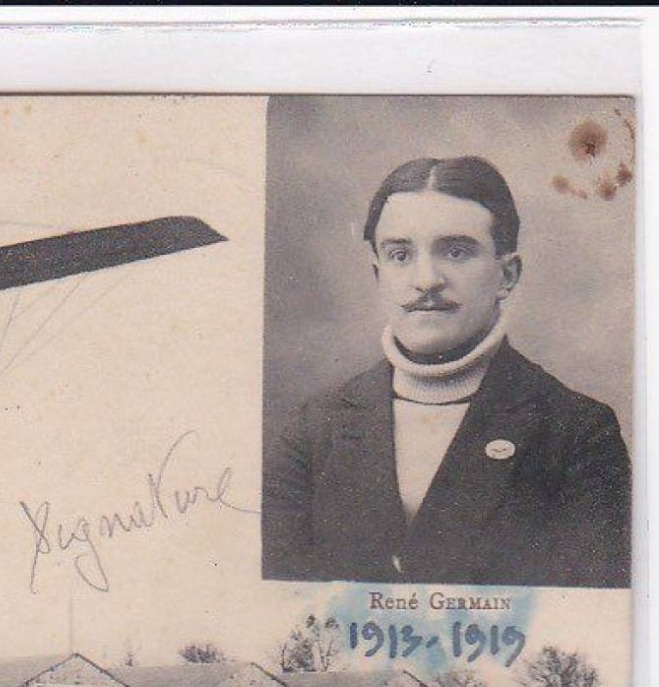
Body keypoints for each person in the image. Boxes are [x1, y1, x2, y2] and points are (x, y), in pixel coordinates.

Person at [263, 156, 631, 587]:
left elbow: (588, 626)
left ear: (506, 275)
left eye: (456, 251)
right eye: (400, 254)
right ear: (378, 274)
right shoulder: (311, 431)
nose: (426, 279)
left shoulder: (577, 434)